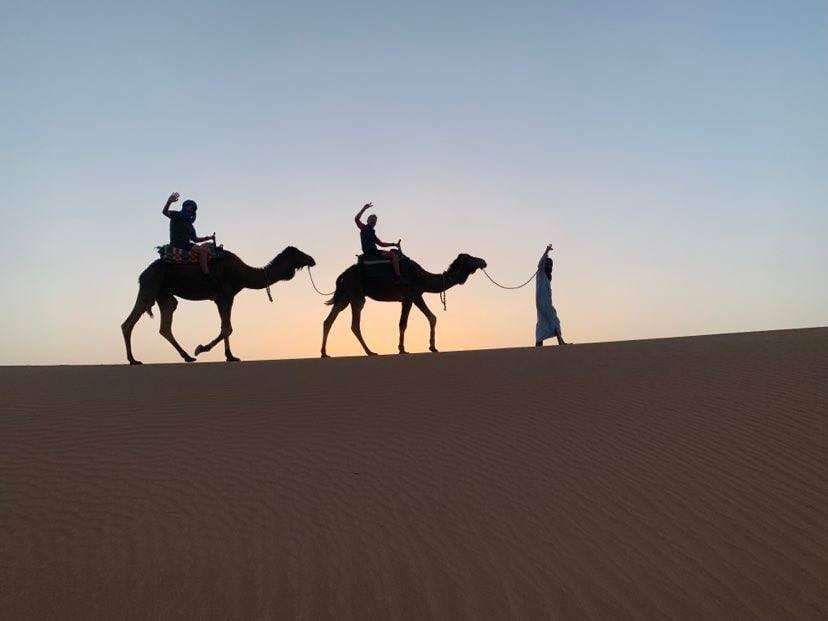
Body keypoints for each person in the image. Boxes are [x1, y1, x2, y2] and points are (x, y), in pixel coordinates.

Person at [162, 192, 215, 275]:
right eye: (189, 206)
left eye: (192, 208)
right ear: (184, 207)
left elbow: (195, 239)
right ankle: (206, 275)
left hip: (187, 244)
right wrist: (169, 202)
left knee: (208, 249)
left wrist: (208, 238)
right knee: (203, 251)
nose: (190, 208)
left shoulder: (190, 225)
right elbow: (165, 212)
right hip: (179, 243)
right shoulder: (177, 215)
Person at [354, 202, 403, 280]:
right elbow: (356, 219)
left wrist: (394, 244)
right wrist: (364, 208)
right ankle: (398, 277)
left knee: (393, 253)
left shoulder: (372, 232)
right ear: (367, 220)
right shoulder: (364, 227)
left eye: (375, 220)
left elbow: (381, 244)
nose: (373, 221)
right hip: (373, 252)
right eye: (372, 219)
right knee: (394, 255)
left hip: (374, 251)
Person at [535, 244, 566, 346]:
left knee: (542, 322)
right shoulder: (540, 274)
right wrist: (546, 252)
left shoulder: (546, 278)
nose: (549, 266)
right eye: (547, 264)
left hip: (544, 302)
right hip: (543, 303)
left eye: (550, 265)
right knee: (554, 320)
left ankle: (539, 344)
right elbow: (540, 264)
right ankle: (560, 341)